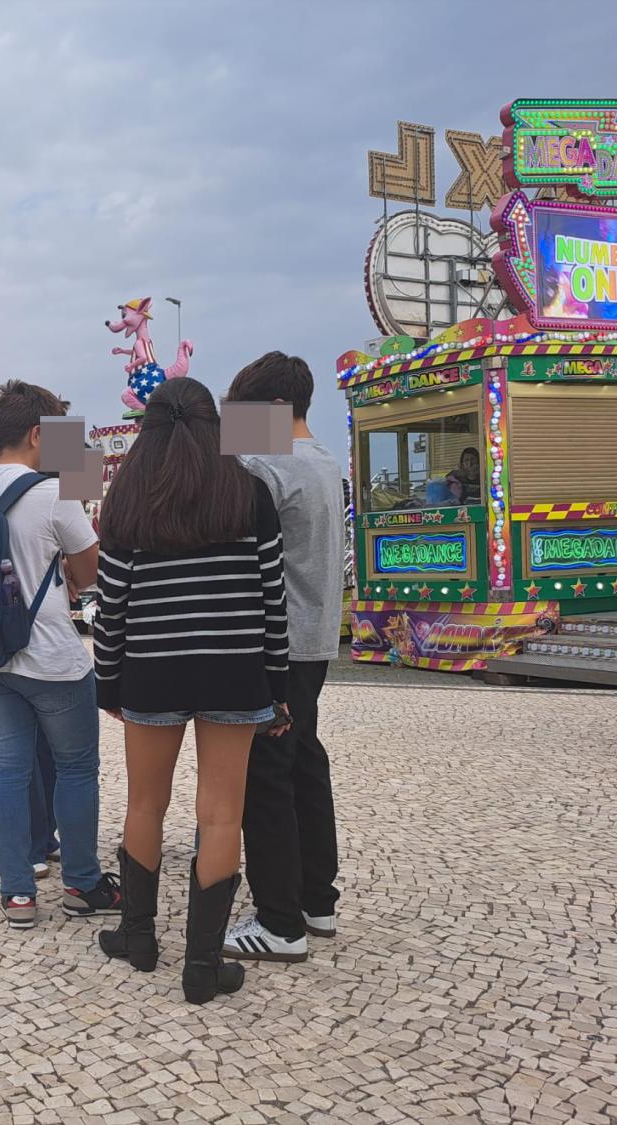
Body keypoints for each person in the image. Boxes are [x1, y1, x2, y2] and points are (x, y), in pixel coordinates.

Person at [93, 376, 290, 1005]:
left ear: (148, 431)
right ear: (216, 426)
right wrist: (278, 685)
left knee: (145, 804)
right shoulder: (250, 493)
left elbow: (112, 605)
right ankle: (203, 968)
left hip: (152, 671)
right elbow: (271, 600)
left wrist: (107, 681)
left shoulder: (127, 497)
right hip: (235, 669)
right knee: (220, 813)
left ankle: (138, 938)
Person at [0, 379, 118, 932]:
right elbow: (89, 572)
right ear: (37, 434)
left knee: (6, 770)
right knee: (76, 768)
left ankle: (18, 896)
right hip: (52, 657)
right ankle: (82, 882)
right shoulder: (54, 494)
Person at [221, 352, 345, 964]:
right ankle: (317, 901)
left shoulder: (265, 467)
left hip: (275, 645)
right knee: (303, 764)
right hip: (317, 641)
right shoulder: (327, 463)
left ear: (270, 412)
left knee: (265, 777)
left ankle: (278, 923)